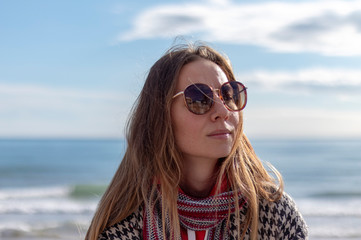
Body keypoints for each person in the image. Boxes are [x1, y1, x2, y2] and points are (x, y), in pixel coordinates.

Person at [85, 43, 308, 240]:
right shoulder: (124, 224)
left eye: (228, 95)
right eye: (200, 99)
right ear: (160, 117)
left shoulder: (274, 213)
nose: (223, 111)